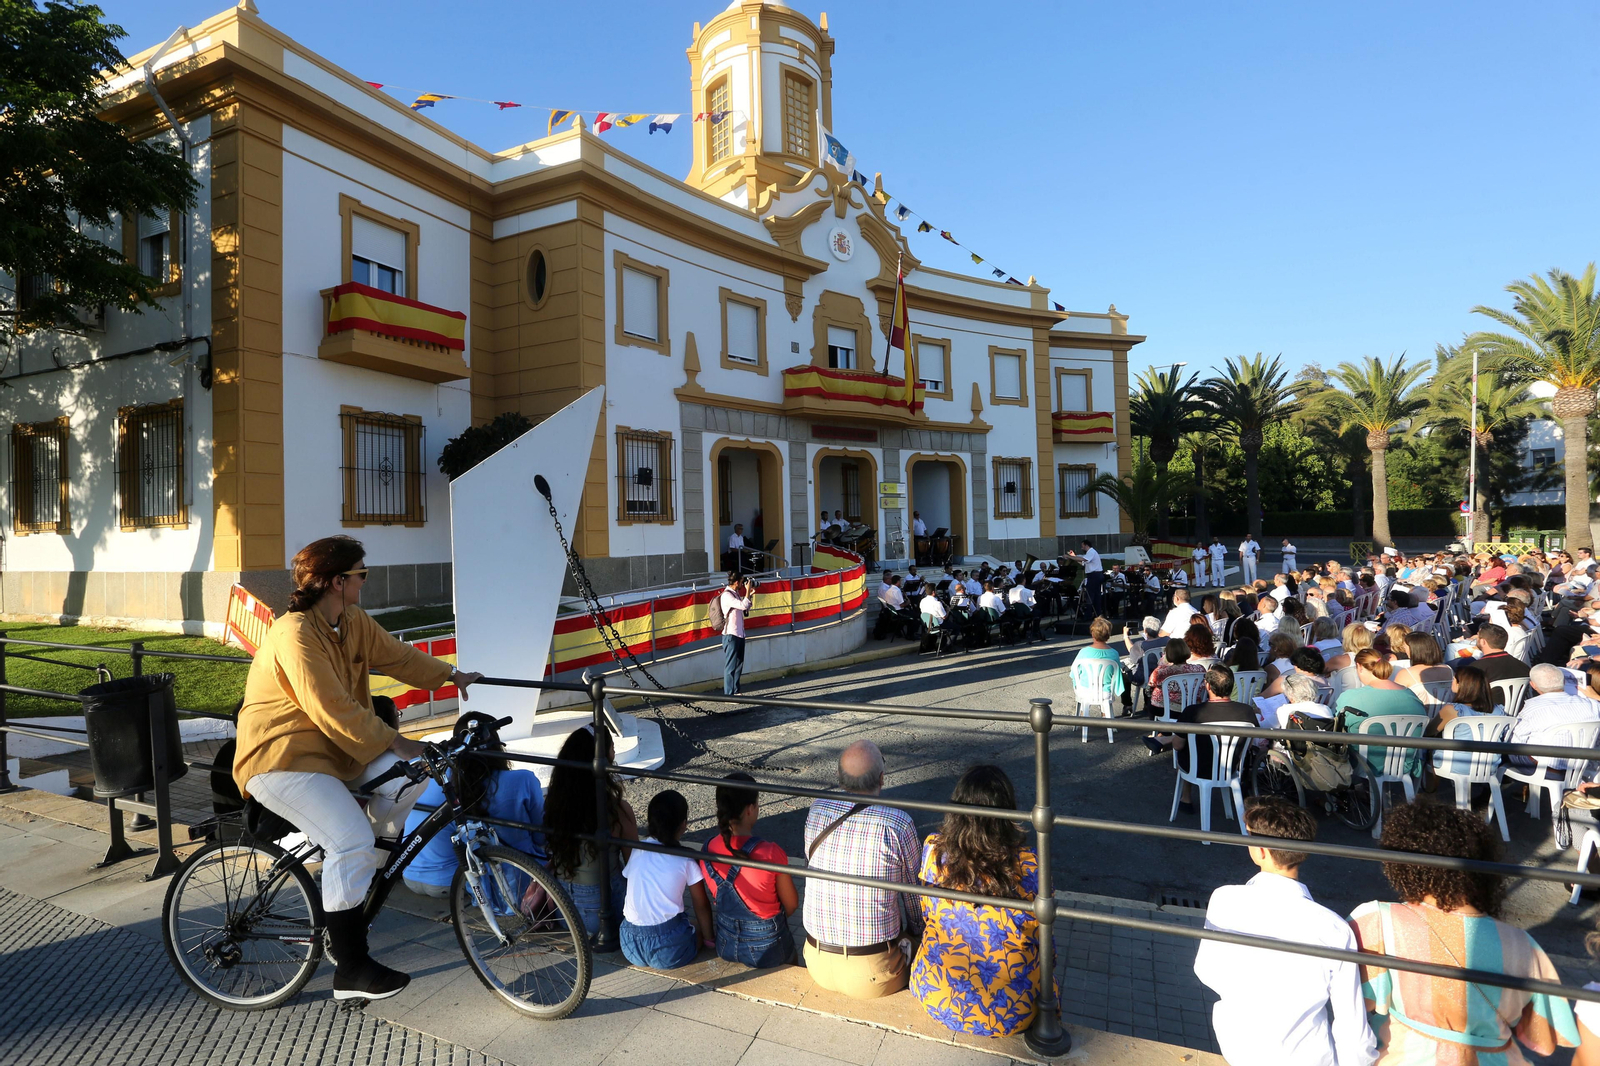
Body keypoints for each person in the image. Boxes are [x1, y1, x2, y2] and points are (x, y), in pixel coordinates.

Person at [234, 535, 482, 1002]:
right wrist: (398, 739)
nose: (365, 581)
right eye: (360, 575)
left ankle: (357, 880)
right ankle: (350, 966)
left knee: (413, 778)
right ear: (334, 581)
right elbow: (334, 710)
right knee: (350, 837)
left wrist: (452, 675)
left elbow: (398, 655)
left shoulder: (350, 620)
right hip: (279, 758)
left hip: (335, 753)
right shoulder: (294, 634)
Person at [1349, 802, 1578, 1064]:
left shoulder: (1377, 921)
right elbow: (1544, 1040)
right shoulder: (1524, 946)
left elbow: (1355, 1002)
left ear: (1404, 866)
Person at [1194, 797, 1375, 1066]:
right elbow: (1352, 1027)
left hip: (1238, 1049)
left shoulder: (1224, 899)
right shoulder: (1335, 928)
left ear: (1261, 850)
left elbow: (1205, 971)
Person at [911, 765, 1045, 1036]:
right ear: (1006, 812)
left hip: (936, 995)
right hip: (1010, 1013)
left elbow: (927, 913)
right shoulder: (1030, 865)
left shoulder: (934, 851)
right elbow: (1044, 939)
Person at [804, 740, 921, 999]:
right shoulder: (897, 823)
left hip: (816, 961)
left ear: (839, 777)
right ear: (882, 779)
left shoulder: (817, 809)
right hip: (873, 973)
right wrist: (916, 934)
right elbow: (914, 900)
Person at [400, 712, 544, 899]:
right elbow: (541, 838)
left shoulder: (441, 781)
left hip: (409, 874)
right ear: (495, 743)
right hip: (454, 881)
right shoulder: (522, 779)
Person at [545, 726, 638, 942]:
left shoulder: (554, 802)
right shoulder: (616, 808)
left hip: (562, 909)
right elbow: (635, 863)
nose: (614, 754)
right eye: (612, 749)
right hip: (600, 911)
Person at [702, 772, 797, 967]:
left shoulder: (708, 848)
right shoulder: (770, 853)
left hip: (725, 941)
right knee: (791, 957)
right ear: (750, 809)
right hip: (766, 945)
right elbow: (791, 904)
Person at [620, 790, 715, 970]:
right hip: (668, 951)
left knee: (682, 922)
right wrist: (709, 939)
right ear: (683, 825)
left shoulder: (638, 848)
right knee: (696, 932)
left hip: (629, 944)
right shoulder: (686, 859)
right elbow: (701, 904)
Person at [1148, 666, 1257, 813]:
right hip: (1231, 768)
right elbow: (1249, 744)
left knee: (1185, 745)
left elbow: (1178, 746)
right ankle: (1164, 740)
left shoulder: (1193, 712)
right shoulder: (1247, 711)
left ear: (1208, 686)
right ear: (1232, 685)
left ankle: (1186, 797)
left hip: (1198, 768)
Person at [1336, 649, 1428, 778]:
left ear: (1360, 667)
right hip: (1405, 764)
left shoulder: (1350, 697)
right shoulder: (1412, 696)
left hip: (1363, 765)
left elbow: (1338, 727)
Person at [1504, 663, 1600, 770]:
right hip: (1584, 767)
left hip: (1546, 769)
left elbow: (1516, 741)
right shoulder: (1593, 705)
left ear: (1533, 685)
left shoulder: (1533, 708)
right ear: (1564, 681)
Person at [1074, 617, 1128, 710]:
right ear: (1108, 635)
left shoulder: (1083, 652)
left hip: (1085, 691)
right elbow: (1116, 674)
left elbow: (1074, 673)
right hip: (1105, 692)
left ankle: (1083, 716)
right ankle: (1105, 715)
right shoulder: (1114, 653)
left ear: (1092, 634)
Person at [1452, 623, 1531, 686]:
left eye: (1478, 637)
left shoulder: (1475, 669)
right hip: (1516, 706)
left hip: (1484, 705)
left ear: (1483, 642)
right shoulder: (1523, 667)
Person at [719, 572, 755, 696]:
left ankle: (736, 690)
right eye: (742, 582)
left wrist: (748, 595)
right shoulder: (727, 595)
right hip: (730, 635)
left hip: (739, 634)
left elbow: (746, 608)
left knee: (739, 664)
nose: (743, 584)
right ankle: (729, 694)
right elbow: (743, 605)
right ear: (736, 582)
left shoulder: (735, 594)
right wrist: (747, 590)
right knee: (730, 667)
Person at [1148, 638, 1204, 714]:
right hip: (1193, 707)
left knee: (1151, 700)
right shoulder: (1199, 669)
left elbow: (1150, 686)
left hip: (1167, 710)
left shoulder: (1161, 671)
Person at [1069, 539, 1105, 615]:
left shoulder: (1091, 552)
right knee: (1095, 594)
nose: (1082, 548)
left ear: (1086, 545)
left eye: (1082, 546)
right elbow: (1083, 563)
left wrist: (1070, 557)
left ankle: (1089, 614)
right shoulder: (1090, 553)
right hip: (1094, 575)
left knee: (1090, 594)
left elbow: (1083, 559)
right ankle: (1096, 613)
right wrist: (1074, 556)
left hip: (1094, 575)